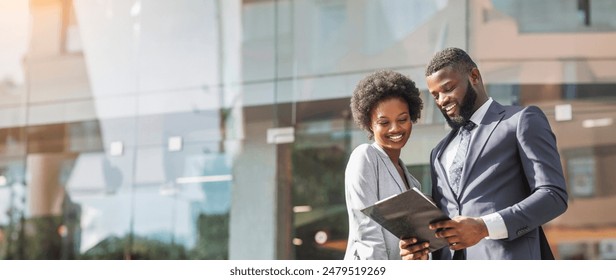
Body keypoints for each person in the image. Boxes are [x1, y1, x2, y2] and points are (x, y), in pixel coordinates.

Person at [400, 47, 568, 260]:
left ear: (474, 76)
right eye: (435, 95)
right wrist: (421, 250)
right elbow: (444, 222)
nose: (442, 100)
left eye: (448, 88)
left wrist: (484, 227)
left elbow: (553, 196)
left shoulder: (521, 120)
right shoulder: (438, 152)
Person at [344, 70, 424, 260]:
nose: (395, 128)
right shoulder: (365, 157)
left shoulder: (414, 184)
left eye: (402, 119)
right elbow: (367, 235)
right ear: (370, 124)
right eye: (384, 122)